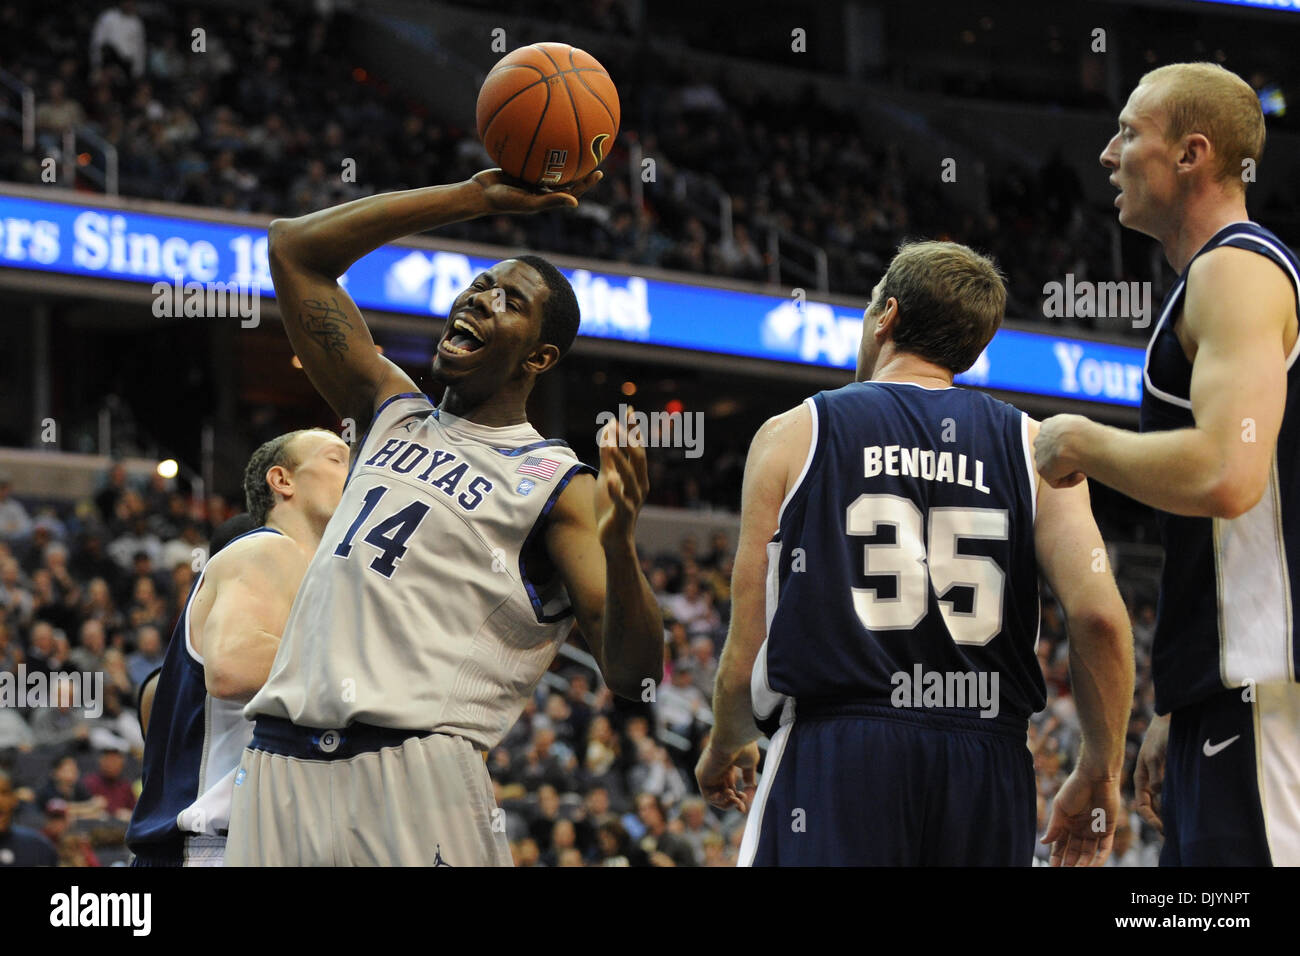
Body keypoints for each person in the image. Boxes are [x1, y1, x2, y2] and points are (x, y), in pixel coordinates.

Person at [226, 167, 663, 867]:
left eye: (511, 301)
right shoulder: (388, 408)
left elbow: (633, 673)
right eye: (482, 283)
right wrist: (472, 199)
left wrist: (620, 546)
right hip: (276, 762)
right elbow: (294, 248)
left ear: (540, 355)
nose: (483, 299)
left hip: (411, 773)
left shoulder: (555, 482)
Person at [698, 240, 1134, 866]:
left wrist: (726, 739)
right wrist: (1102, 766)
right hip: (987, 760)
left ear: (888, 315)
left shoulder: (795, 432)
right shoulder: (1035, 448)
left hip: (841, 747)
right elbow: (1099, 618)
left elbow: (748, 643)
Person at [1034, 62, 1300, 867]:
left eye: (1127, 133)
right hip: (1228, 694)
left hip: (1264, 693)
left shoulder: (1237, 270)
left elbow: (1228, 473)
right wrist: (1181, 699)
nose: (1109, 156)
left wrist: (1083, 443)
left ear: (1191, 153)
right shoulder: (1214, 281)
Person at [126, 429, 347, 866]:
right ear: (283, 481)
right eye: (337, 458)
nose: (355, 468)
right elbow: (234, 669)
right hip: (219, 847)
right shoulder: (267, 548)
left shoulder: (302, 580)